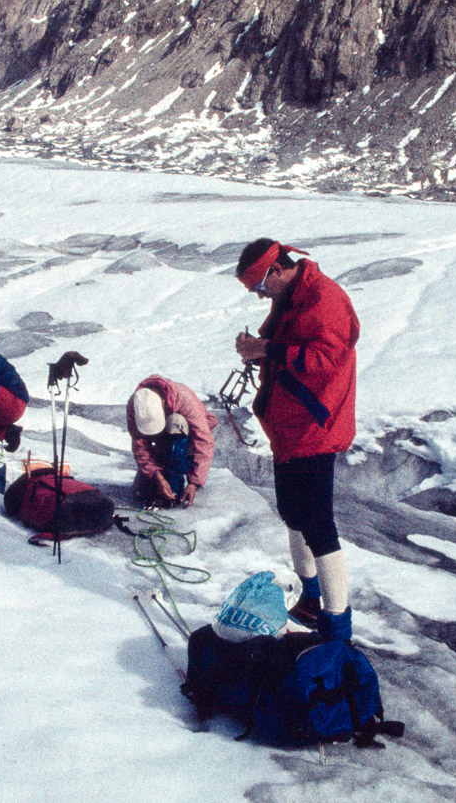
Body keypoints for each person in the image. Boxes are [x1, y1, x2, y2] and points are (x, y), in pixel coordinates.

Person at [234, 239, 359, 643]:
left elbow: (325, 359)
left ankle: (337, 623)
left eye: (258, 287)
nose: (259, 295)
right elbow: (295, 350)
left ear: (275, 271)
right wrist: (261, 353)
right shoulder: (294, 295)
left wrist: (266, 348)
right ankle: (310, 597)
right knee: (293, 514)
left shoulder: (324, 299)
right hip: (290, 426)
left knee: (318, 522)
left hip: (316, 426)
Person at [126, 375, 218, 508]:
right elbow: (139, 444)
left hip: (189, 441)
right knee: (142, 492)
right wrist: (156, 475)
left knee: (176, 422)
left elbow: (204, 440)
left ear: (163, 402)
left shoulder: (183, 397)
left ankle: (176, 482)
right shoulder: (136, 403)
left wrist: (194, 482)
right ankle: (164, 474)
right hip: (162, 440)